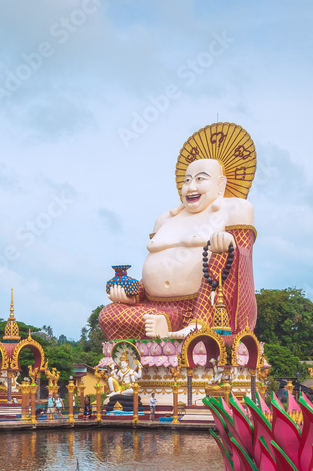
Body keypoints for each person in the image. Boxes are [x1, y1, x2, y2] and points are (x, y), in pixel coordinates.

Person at [98, 124, 257, 340]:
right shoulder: (165, 219)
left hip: (207, 307)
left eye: (200, 179)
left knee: (222, 250)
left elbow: (244, 257)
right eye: (187, 180)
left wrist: (231, 245)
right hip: (159, 309)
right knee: (108, 315)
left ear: (221, 184)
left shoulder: (235, 209)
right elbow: (157, 271)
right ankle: (166, 325)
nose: (191, 187)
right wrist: (132, 293)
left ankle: (198, 324)